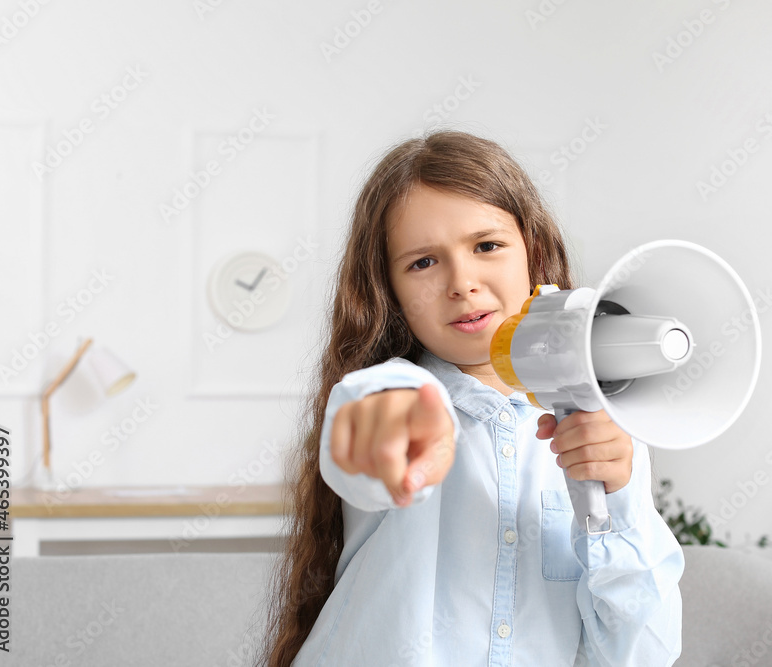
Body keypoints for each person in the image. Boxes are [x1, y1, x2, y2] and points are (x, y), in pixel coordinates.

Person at [259, 130, 684, 667]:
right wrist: (392, 424)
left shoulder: (608, 435)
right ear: (387, 289)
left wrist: (618, 501)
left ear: (534, 250)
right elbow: (364, 436)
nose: (462, 282)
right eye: (423, 263)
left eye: (487, 246)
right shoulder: (387, 392)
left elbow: (641, 654)